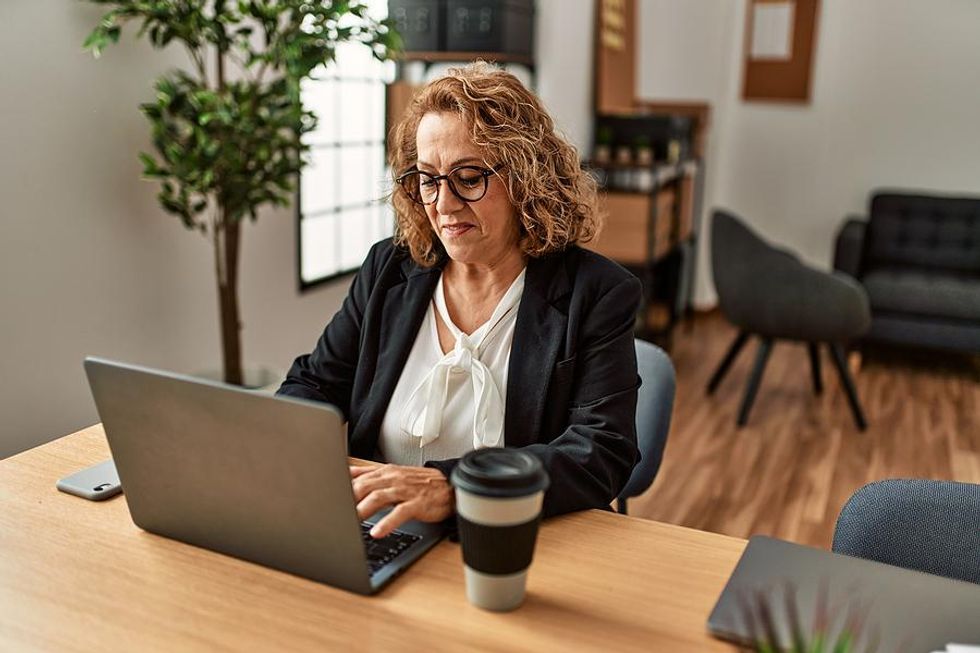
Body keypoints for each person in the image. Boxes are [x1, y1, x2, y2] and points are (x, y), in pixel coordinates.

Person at [278, 62, 641, 539]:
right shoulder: (389, 270)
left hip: (516, 543)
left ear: (525, 177)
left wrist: (451, 487)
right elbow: (315, 383)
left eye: (468, 178)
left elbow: (601, 451)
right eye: (428, 179)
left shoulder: (594, 293)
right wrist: (304, 452)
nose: (443, 204)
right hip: (383, 534)